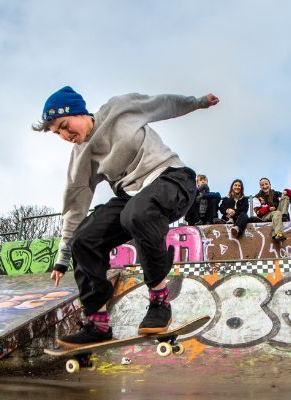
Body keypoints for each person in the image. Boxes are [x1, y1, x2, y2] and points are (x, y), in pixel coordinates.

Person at [33, 86, 219, 346]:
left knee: (137, 213)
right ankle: (98, 323)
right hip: (132, 197)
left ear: (79, 112)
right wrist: (62, 258)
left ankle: (159, 300)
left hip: (172, 179)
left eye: (65, 125)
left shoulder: (120, 109)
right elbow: (75, 208)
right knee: (84, 239)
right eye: (57, 133)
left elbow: (164, 102)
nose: (65, 135)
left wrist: (198, 102)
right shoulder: (80, 158)